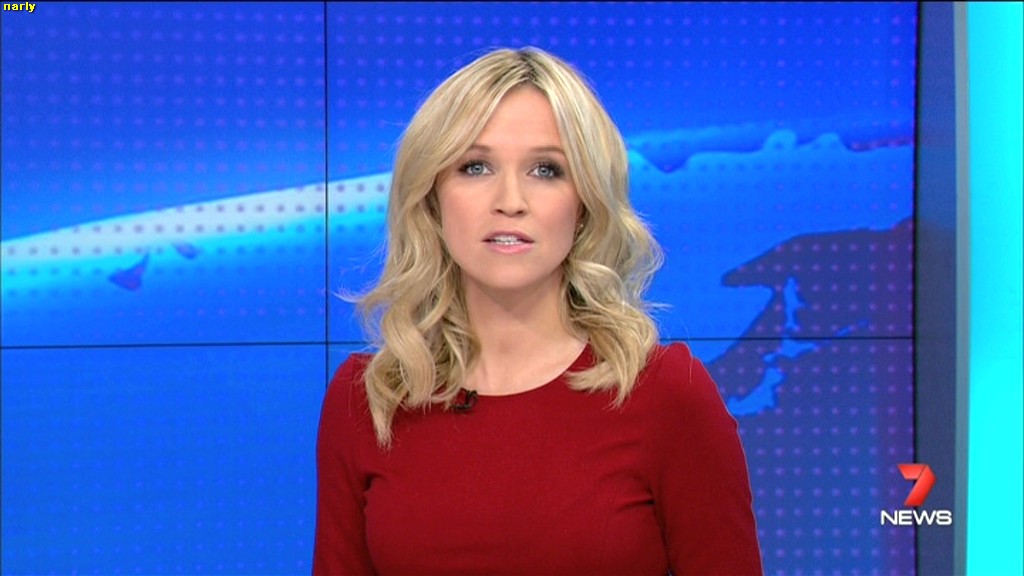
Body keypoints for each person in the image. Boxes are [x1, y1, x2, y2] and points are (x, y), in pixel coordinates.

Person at [313, 47, 763, 575]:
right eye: (475, 166)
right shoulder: (371, 400)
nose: (510, 200)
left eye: (546, 170)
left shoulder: (666, 395)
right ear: (432, 200)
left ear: (584, 203)